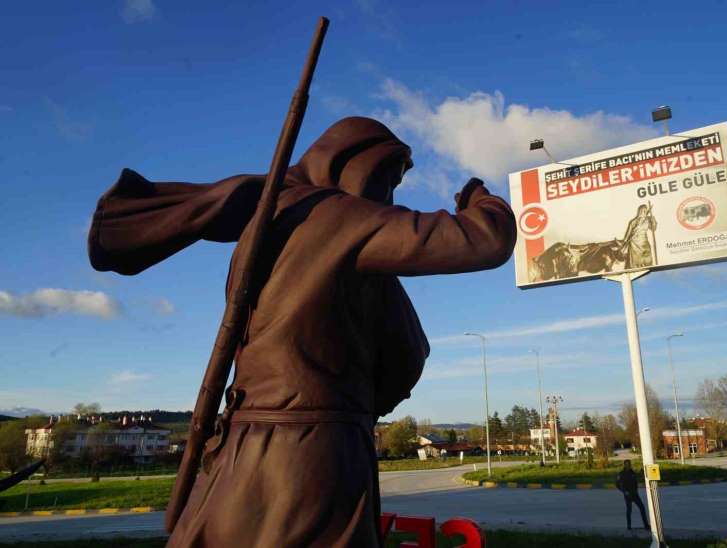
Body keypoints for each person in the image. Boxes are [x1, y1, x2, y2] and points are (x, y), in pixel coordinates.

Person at [87, 117, 516, 548]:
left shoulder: (268, 221)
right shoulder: (341, 217)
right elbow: (486, 239)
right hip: (315, 454)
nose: (390, 195)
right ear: (357, 166)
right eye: (390, 179)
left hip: (239, 445)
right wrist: (479, 198)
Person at [616, 459, 650, 531]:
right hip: (627, 495)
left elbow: (636, 480)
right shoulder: (621, 474)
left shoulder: (632, 472)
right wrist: (624, 491)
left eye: (629, 464)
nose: (628, 465)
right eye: (627, 464)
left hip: (635, 495)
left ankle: (646, 525)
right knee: (629, 510)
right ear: (624, 465)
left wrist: (642, 473)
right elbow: (617, 484)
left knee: (642, 508)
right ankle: (629, 526)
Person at [620, 204, 657, 269]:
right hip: (634, 244)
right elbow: (627, 235)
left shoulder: (648, 220)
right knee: (634, 263)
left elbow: (653, 229)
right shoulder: (633, 221)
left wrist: (653, 220)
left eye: (645, 211)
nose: (643, 212)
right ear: (639, 211)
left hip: (644, 243)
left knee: (647, 260)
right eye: (642, 210)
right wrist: (624, 242)